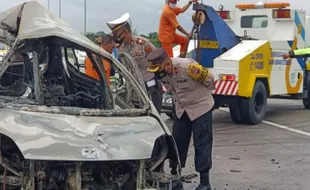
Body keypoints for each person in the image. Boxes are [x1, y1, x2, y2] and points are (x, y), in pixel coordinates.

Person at [147, 48, 215, 190]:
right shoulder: (163, 74)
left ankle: (204, 182)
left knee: (202, 144)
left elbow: (210, 81)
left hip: (200, 108)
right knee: (178, 143)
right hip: (182, 109)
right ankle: (175, 176)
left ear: (167, 63)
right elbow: (171, 88)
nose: (158, 73)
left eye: (159, 68)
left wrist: (199, 95)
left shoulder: (188, 67)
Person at [106, 13, 163, 113]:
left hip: (150, 88)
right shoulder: (121, 49)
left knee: (153, 116)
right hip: (135, 91)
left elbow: (159, 58)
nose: (116, 37)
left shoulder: (142, 44)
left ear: (125, 32)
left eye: (117, 34)